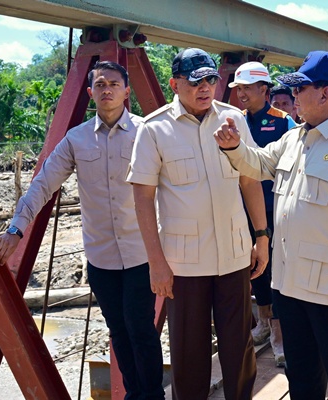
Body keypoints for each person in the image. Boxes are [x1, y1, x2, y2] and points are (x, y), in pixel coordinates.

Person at [213, 50, 328, 400]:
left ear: (324, 92)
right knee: (302, 375)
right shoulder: (296, 138)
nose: (293, 97)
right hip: (289, 285)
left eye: (299, 89)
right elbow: (260, 164)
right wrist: (234, 147)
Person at [0, 61, 164, 399]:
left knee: (141, 329)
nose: (107, 90)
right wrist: (16, 227)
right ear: (90, 93)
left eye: (114, 84)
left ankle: (153, 395)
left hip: (141, 252)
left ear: (127, 91)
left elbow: (176, 187)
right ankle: (135, 394)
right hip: (101, 257)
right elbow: (43, 184)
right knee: (118, 330)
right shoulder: (77, 139)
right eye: (100, 85)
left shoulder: (149, 133)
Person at [128, 48, 267, 400]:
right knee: (189, 353)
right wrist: (156, 263)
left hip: (234, 255)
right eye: (195, 82)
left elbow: (249, 180)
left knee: (240, 346)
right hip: (184, 263)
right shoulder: (155, 128)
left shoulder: (233, 119)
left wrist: (262, 236)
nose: (205, 88)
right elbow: (142, 198)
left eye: (210, 79)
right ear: (175, 84)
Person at [229, 61, 295, 367]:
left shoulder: (284, 123)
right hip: (244, 209)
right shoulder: (234, 121)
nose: (241, 94)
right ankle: (266, 324)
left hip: (275, 209)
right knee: (255, 268)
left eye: (246, 88)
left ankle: (281, 334)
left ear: (263, 90)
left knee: (277, 269)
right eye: (237, 89)